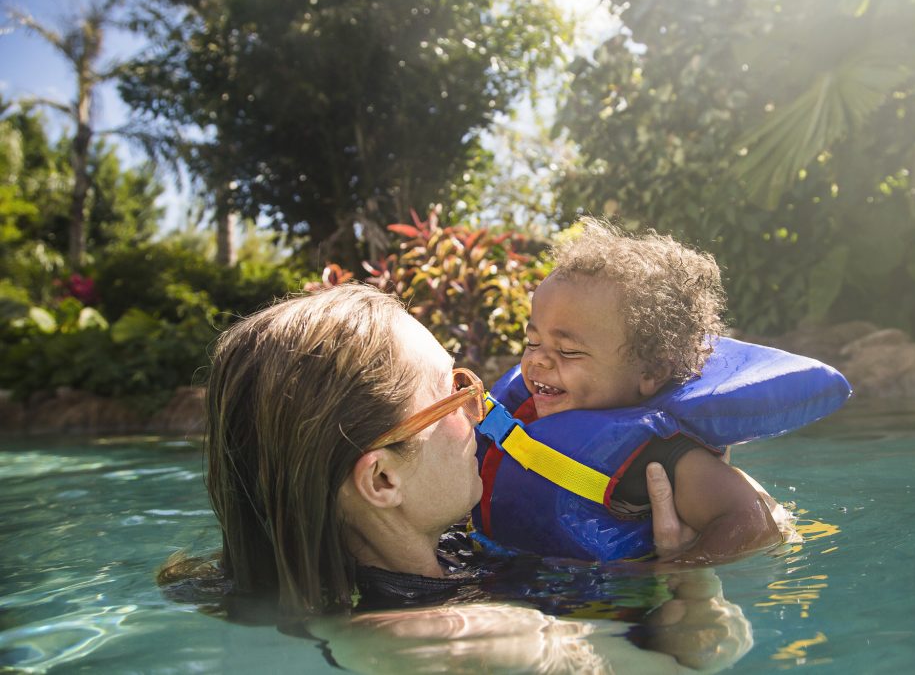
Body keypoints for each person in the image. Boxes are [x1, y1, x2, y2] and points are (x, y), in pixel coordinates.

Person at [159, 281, 700, 614]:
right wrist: (689, 581)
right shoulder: (464, 639)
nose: (481, 407)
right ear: (382, 481)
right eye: (455, 393)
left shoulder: (441, 557)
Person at [477, 216, 784, 563]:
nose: (538, 362)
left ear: (652, 371)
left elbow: (751, 522)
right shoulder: (524, 409)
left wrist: (677, 568)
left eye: (568, 351)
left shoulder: (657, 454)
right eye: (532, 341)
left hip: (613, 604)